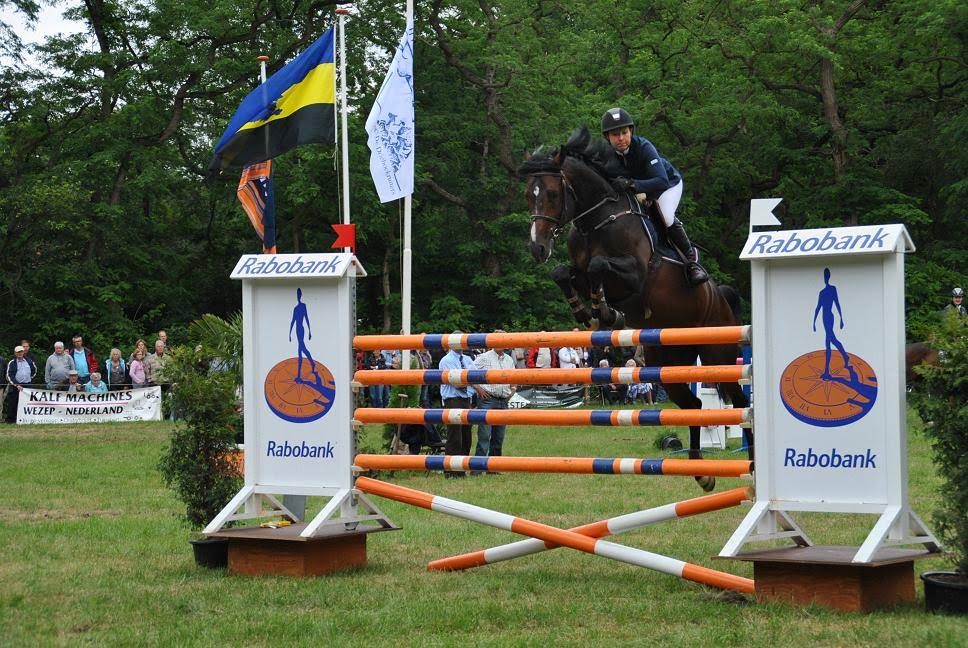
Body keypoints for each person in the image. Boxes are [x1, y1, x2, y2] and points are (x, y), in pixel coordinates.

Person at [601, 107, 708, 285]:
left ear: (631, 131)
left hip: (668, 185)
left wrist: (631, 184)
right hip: (642, 192)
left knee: (665, 216)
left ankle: (692, 259)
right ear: (607, 138)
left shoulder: (644, 147)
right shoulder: (608, 156)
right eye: (615, 135)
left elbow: (661, 181)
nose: (620, 138)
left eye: (624, 132)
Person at [472, 332, 517, 464]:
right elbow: (469, 373)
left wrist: (513, 390)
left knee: (499, 436)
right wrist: (478, 388)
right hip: (488, 399)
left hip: (503, 400)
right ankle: (478, 467)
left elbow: (514, 377)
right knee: (485, 435)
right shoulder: (483, 357)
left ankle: (494, 466)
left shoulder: (509, 360)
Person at [439, 332, 475, 478]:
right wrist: (473, 383)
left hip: (466, 399)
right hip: (453, 400)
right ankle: (451, 470)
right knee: (455, 435)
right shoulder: (446, 360)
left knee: (467, 435)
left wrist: (472, 382)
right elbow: (457, 383)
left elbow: (475, 376)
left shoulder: (467, 359)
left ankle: (462, 467)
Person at [5, 345, 37, 423]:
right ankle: (11, 420)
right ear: (15, 353)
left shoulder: (29, 361)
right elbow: (9, 375)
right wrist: (16, 385)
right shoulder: (12, 363)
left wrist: (29, 379)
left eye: (21, 352)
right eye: (18, 352)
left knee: (27, 403)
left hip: (27, 385)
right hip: (16, 386)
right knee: (13, 403)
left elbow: (34, 371)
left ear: (23, 352)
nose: (20, 353)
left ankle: (26, 419)